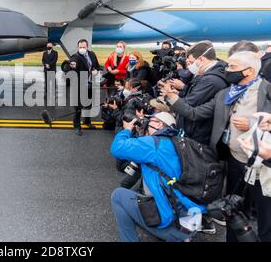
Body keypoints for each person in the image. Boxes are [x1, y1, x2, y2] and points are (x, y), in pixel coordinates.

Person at [162, 51, 271, 242]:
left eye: (232, 67)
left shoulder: (267, 91)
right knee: (233, 212)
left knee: (266, 221)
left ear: (250, 71)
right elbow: (194, 113)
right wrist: (173, 98)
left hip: (263, 167)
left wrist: (254, 125)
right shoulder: (225, 94)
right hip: (235, 161)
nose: (227, 70)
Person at [110, 112, 206, 242]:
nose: (147, 123)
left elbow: (117, 148)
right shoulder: (181, 143)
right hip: (192, 220)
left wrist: (127, 129)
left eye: (151, 121)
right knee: (142, 192)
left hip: (175, 227)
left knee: (118, 195)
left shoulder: (153, 145)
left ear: (160, 124)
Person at [164, 41, 229, 145]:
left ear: (201, 59)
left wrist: (171, 97)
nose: (190, 66)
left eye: (191, 62)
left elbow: (190, 104)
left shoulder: (210, 80)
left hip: (198, 133)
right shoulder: (208, 74)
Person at [69, 39, 101, 136]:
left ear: (87, 47)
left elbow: (97, 65)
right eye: (80, 47)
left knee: (88, 104)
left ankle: (87, 122)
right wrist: (72, 65)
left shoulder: (92, 54)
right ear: (78, 47)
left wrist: (96, 70)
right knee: (78, 107)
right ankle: (77, 126)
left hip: (90, 83)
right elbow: (72, 64)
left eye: (84, 47)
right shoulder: (76, 56)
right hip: (79, 84)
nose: (82, 48)